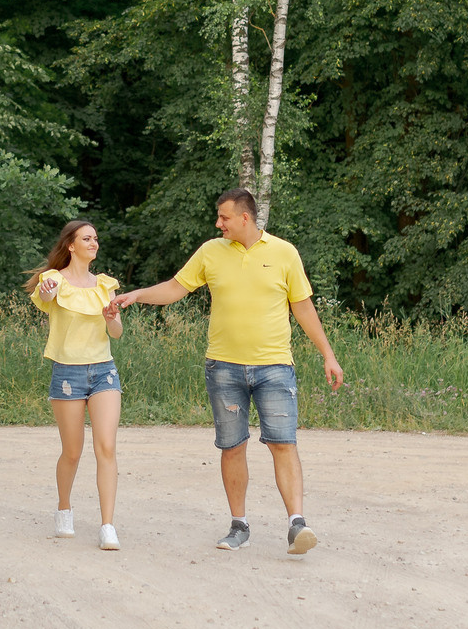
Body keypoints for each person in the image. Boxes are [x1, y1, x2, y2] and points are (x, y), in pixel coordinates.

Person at [114, 188, 345, 553]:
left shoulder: (285, 253)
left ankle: (297, 525)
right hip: (223, 368)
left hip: (275, 367)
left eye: (223, 217)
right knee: (232, 447)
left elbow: (303, 309)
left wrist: (328, 355)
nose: (217, 223)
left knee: (284, 444)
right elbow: (176, 288)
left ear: (245, 218)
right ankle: (239, 526)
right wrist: (137, 294)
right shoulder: (210, 252)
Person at [28, 219, 125, 550]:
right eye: (87, 238)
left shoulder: (105, 284)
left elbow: (116, 333)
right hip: (67, 373)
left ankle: (107, 526)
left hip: (104, 371)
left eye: (96, 238)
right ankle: (64, 508)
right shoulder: (53, 281)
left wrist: (112, 318)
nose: (94, 242)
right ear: (71, 245)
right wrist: (46, 293)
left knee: (106, 447)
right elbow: (43, 298)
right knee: (72, 452)